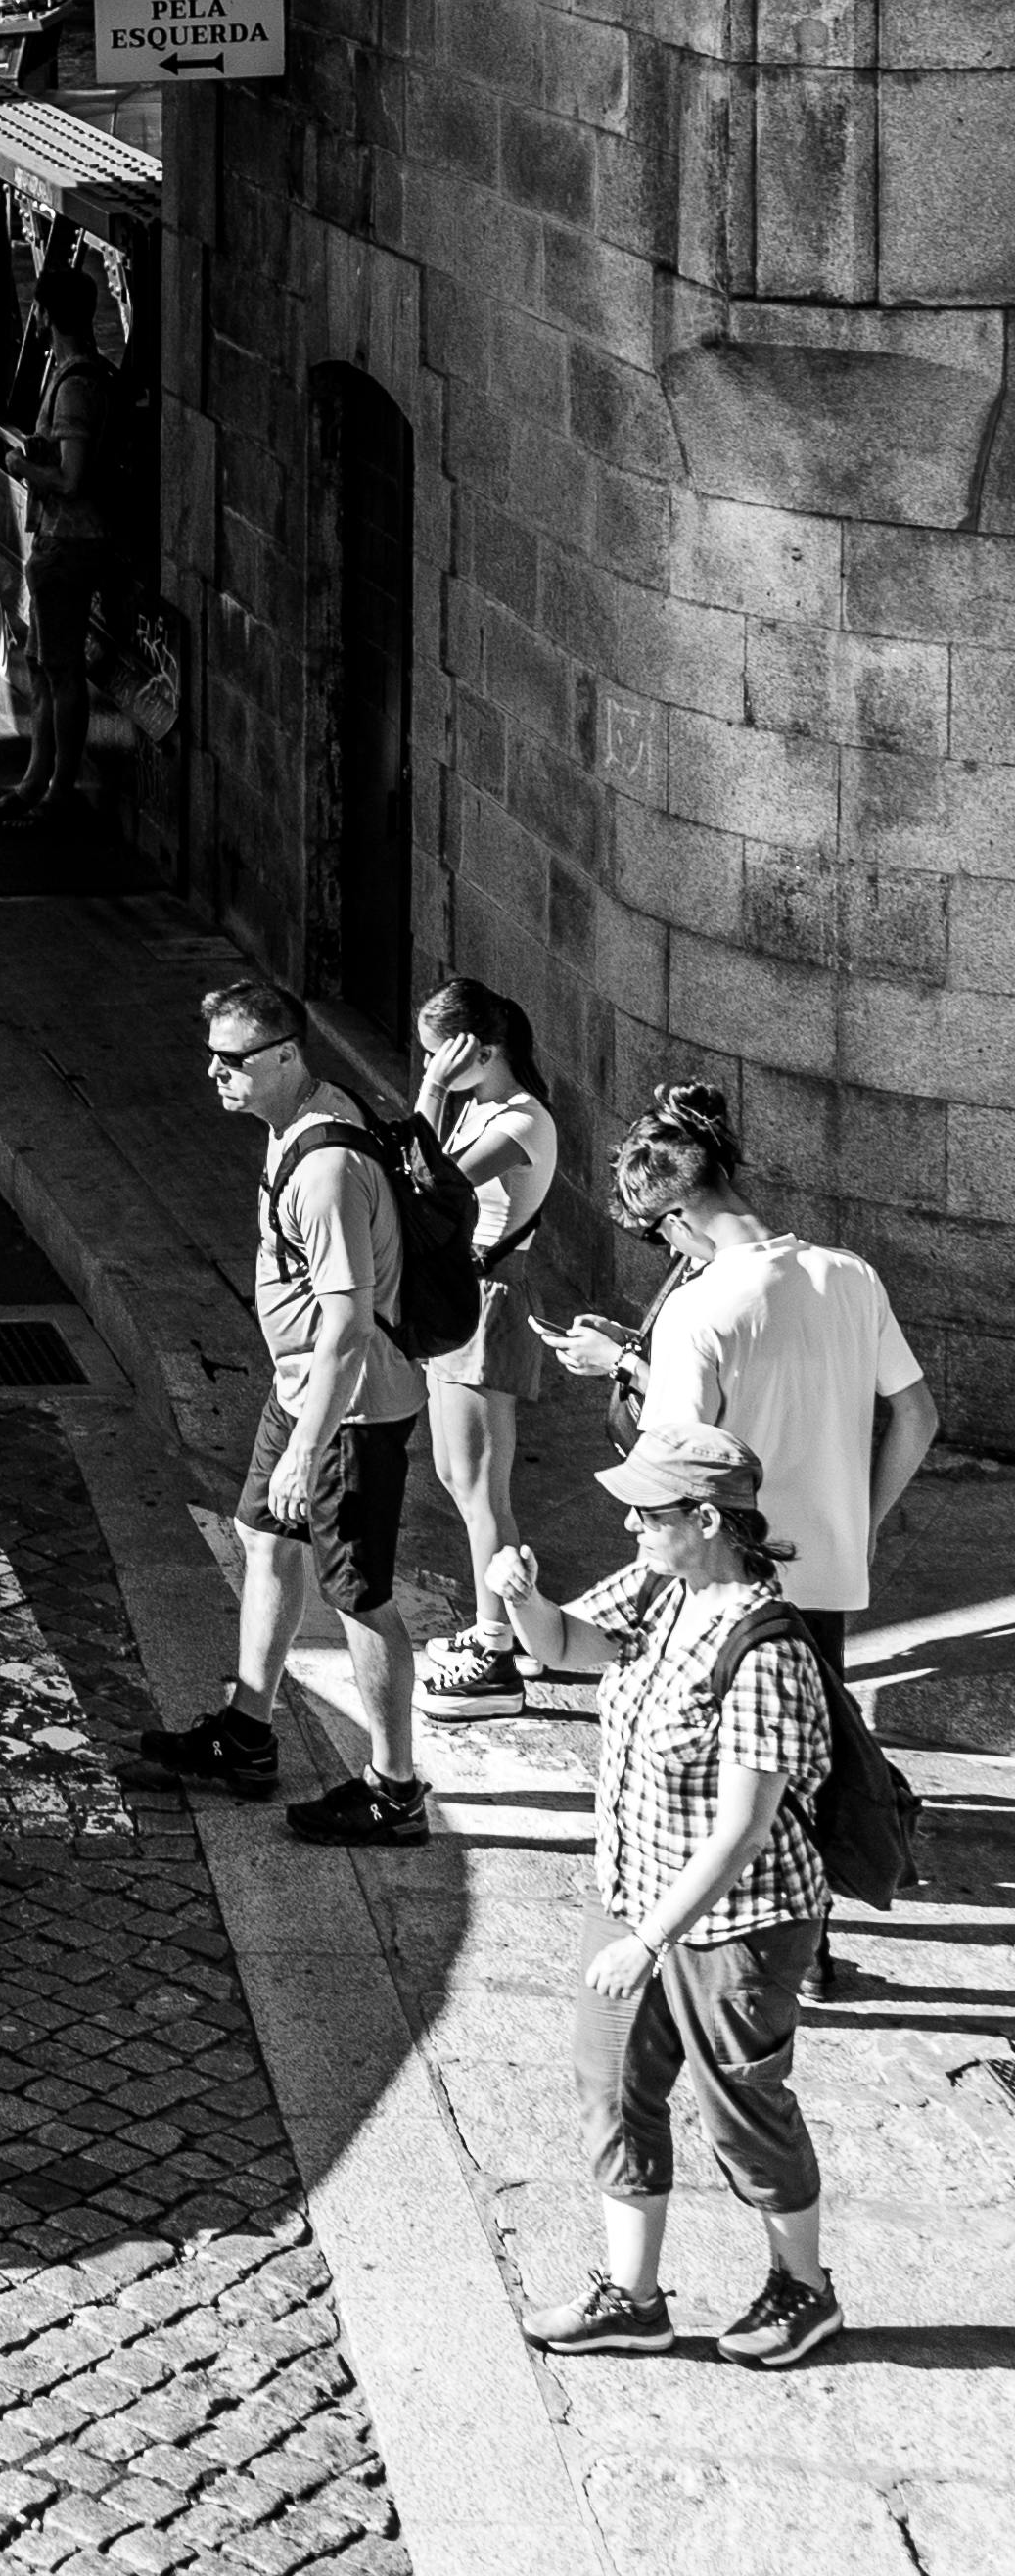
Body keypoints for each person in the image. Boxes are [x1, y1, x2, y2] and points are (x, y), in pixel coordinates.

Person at [484, 1426, 844, 2369]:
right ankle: (631, 2299)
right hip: (640, 1900)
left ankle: (803, 2290)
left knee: (744, 2114)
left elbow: (744, 1829)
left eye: (649, 1511)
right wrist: (523, 1603)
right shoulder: (659, 1588)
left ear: (708, 1519)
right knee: (612, 2089)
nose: (631, 1524)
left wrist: (647, 1940)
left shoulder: (765, 1648)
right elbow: (564, 1644)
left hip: (740, 1930)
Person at [546, 1080, 939, 1767]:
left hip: (732, 1586)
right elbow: (916, 1415)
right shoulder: (851, 1275)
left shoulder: (696, 1312)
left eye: (654, 1234)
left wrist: (624, 1365)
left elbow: (676, 1463)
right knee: (813, 1773)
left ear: (675, 1219)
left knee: (726, 1788)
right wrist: (866, 1519)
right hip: (828, 1575)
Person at [135, 969, 428, 1846]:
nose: (214, 1075)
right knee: (263, 1537)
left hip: (348, 1409)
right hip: (302, 1389)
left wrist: (310, 1445)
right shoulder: (294, 1122)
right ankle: (247, 1734)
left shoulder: (326, 1167)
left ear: (287, 1055)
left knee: (359, 1593)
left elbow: (345, 1328)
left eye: (234, 1061)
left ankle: (394, 1790)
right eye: (211, 1058)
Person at [411, 978, 563, 1713]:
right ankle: (506, 1624)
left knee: (481, 1489)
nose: (434, 1066)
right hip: (459, 1301)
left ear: (486, 1050)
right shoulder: (484, 1108)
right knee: (456, 1475)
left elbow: (420, 1185)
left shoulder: (522, 1123)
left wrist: (431, 1095)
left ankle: (495, 1649)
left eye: (443, 1055)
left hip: (489, 1303)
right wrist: (445, 1095)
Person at [0, 258, 108, 827]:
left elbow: (74, 478)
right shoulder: (85, 374)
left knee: (60, 670)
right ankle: (38, 781)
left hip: (68, 540)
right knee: (45, 665)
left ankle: (57, 790)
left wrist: (21, 466)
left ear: (46, 315)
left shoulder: (76, 385)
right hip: (58, 541)